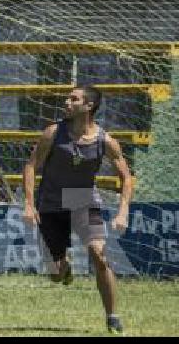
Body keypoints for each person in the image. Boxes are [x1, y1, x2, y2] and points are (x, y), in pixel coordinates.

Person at [22, 85, 133, 334]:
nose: (67, 102)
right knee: (56, 274)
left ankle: (113, 317)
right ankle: (64, 267)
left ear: (89, 106)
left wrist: (123, 210)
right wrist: (29, 204)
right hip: (50, 203)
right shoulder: (52, 133)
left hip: (84, 200)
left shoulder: (106, 141)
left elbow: (126, 177)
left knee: (99, 254)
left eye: (74, 99)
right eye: (67, 98)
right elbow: (31, 167)